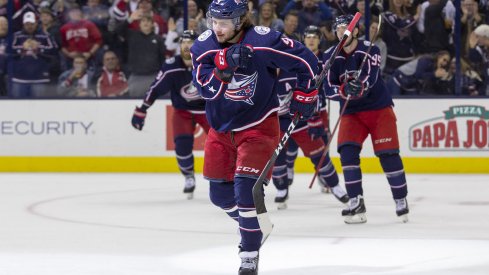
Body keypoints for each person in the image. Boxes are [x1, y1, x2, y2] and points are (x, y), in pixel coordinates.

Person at [190, 0, 319, 273]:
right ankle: (252, 225)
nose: (217, 28)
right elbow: (205, 90)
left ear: (239, 21)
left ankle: (248, 253)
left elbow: (307, 61)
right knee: (219, 196)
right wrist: (223, 69)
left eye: (223, 23)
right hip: (221, 130)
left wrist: (305, 93)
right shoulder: (203, 46)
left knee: (246, 191)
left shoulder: (264, 40)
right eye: (214, 22)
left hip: (259, 126)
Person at [323, 14, 410, 224]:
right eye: (338, 29)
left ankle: (401, 199)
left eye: (345, 28)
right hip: (351, 112)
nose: (341, 33)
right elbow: (327, 88)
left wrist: (359, 86)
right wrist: (344, 90)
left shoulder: (371, 49)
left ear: (355, 31)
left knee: (388, 155)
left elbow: (369, 79)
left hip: (379, 109)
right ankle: (356, 201)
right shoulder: (329, 56)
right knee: (347, 152)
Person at [273, 25, 348, 210]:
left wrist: (314, 114)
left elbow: (314, 90)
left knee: (319, 154)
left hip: (303, 118)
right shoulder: (274, 65)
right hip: (278, 121)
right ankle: (282, 189)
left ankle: (335, 185)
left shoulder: (304, 63)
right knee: (277, 158)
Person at [131, 30, 209, 199]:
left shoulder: (208, 62)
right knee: (181, 146)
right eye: (183, 42)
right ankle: (189, 176)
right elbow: (155, 88)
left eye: (191, 42)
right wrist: (142, 109)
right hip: (183, 111)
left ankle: (227, 178)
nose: (187, 46)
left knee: (223, 144)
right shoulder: (172, 65)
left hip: (208, 110)